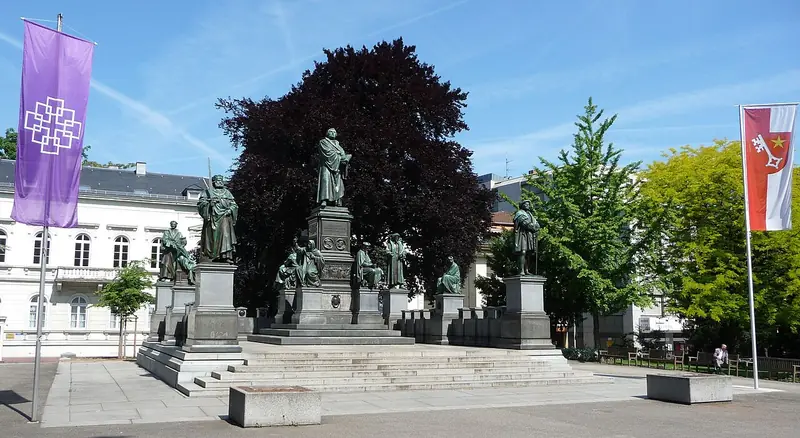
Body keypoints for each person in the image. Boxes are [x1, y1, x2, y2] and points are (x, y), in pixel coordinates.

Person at [197, 174, 238, 262]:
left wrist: (230, 210)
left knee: (225, 235)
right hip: (212, 218)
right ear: (213, 182)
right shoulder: (207, 192)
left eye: (221, 180)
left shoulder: (227, 193)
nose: (220, 182)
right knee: (212, 238)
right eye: (218, 180)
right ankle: (212, 256)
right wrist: (209, 205)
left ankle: (225, 256)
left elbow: (234, 205)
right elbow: (201, 204)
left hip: (224, 217)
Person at [316, 128, 352, 207]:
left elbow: (343, 154)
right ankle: (324, 200)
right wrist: (339, 155)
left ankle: (337, 200)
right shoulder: (323, 142)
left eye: (334, 132)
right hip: (326, 165)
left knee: (338, 183)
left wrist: (344, 158)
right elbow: (327, 153)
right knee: (325, 181)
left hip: (337, 167)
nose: (333, 133)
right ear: (327, 133)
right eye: (331, 132)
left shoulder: (337, 144)